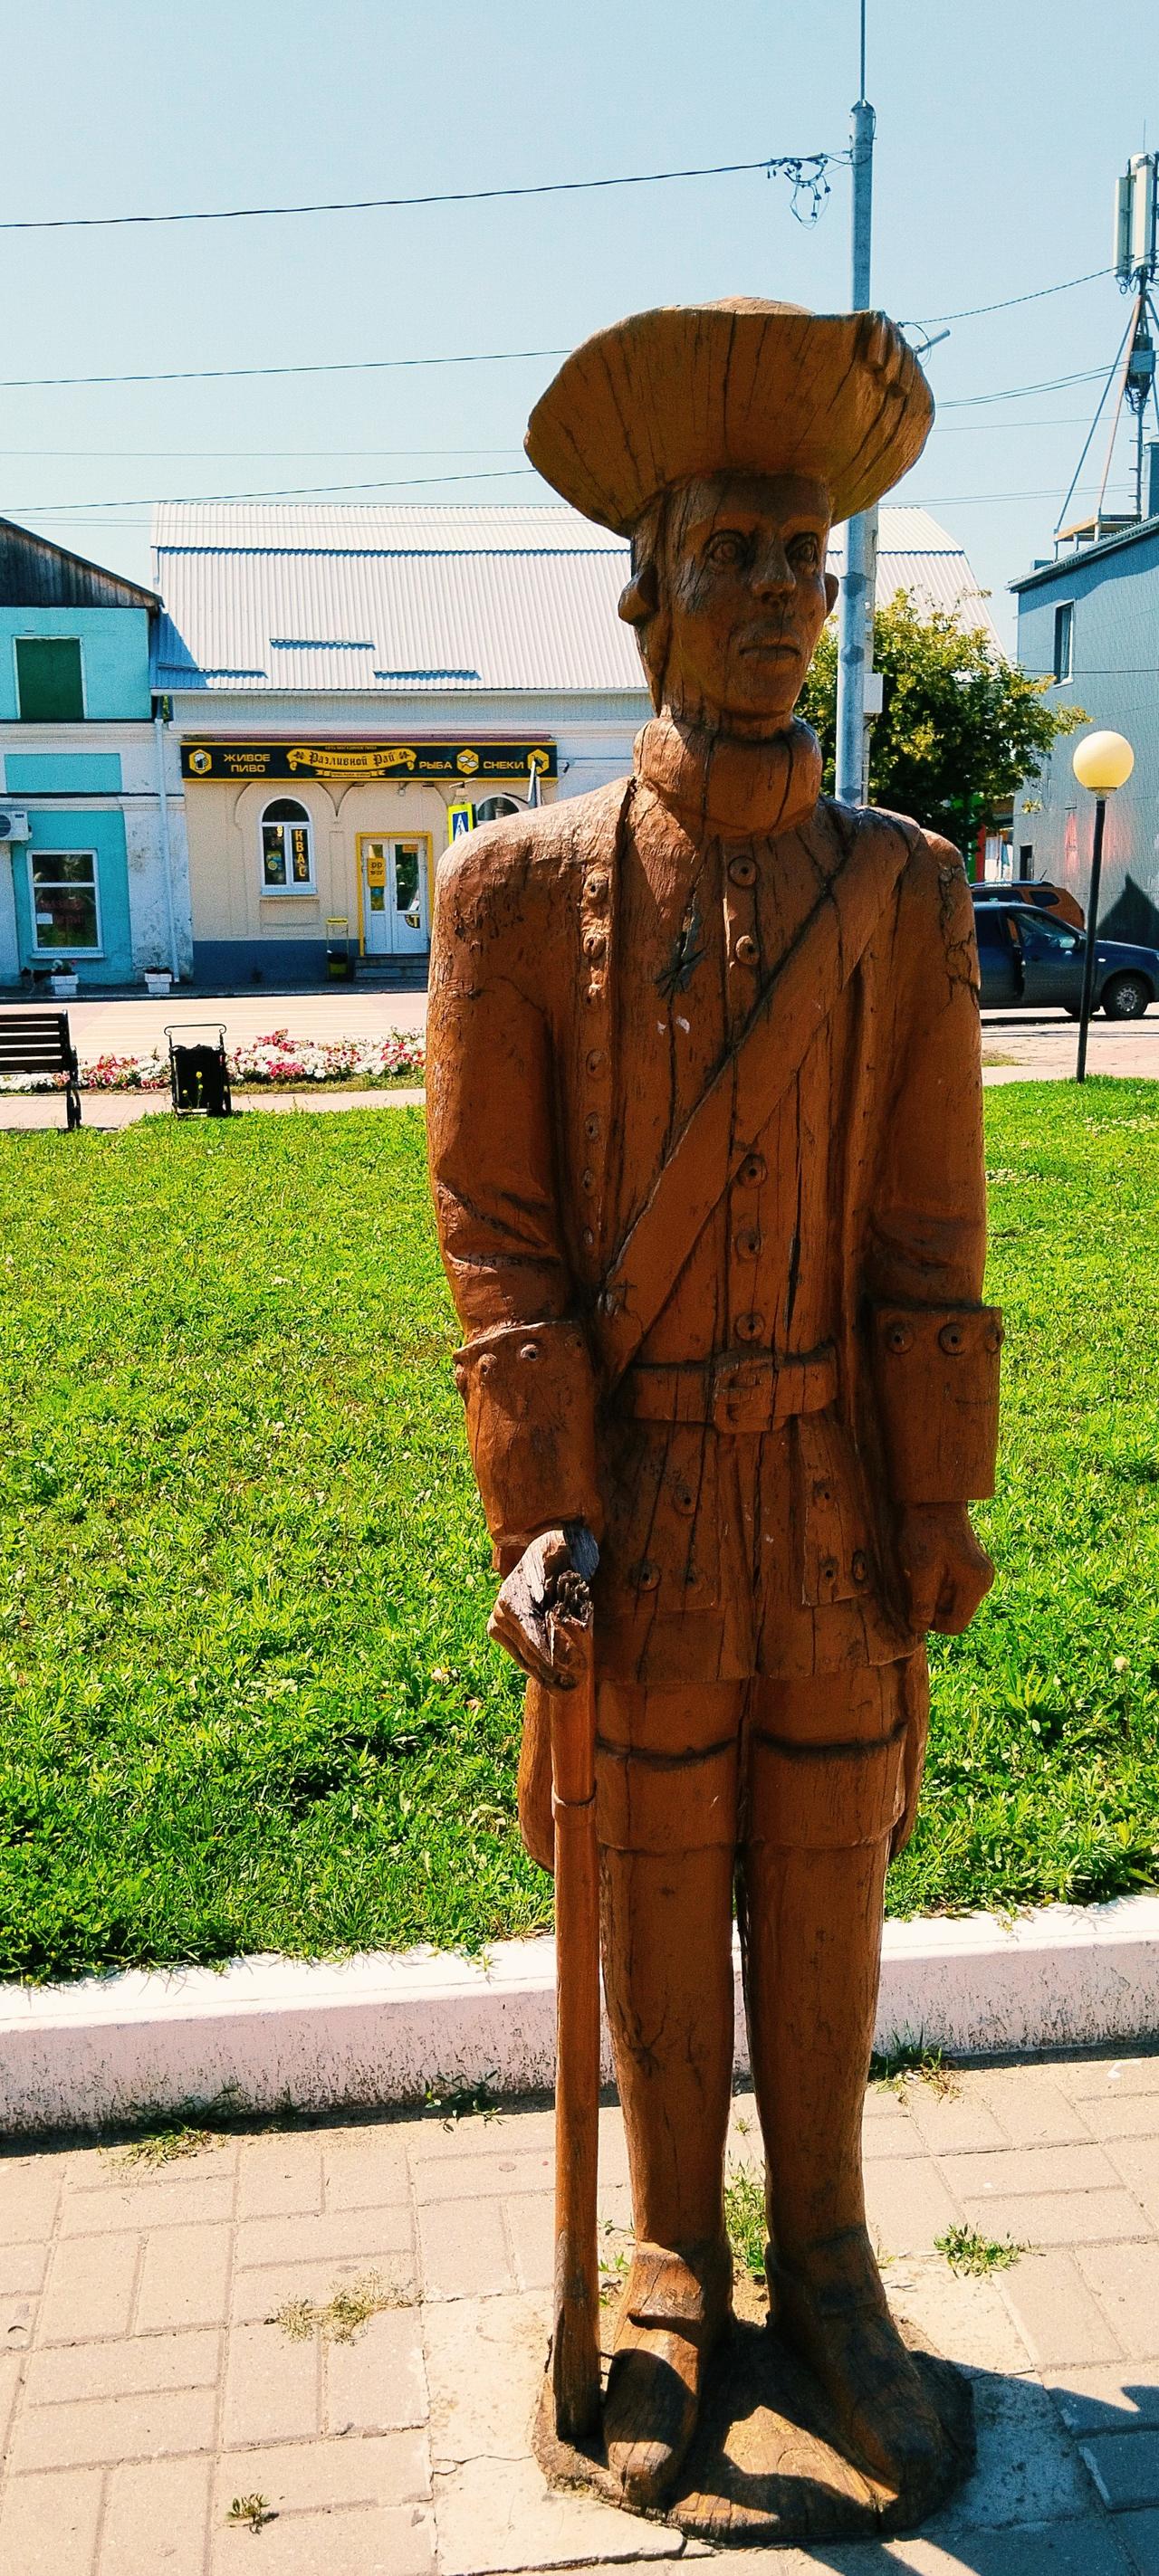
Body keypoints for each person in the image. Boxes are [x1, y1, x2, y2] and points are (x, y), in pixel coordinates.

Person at [426, 299, 1001, 2510]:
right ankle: (669, 2262)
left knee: (827, 1872)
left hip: (830, 1497)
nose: (777, 597)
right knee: (658, 1877)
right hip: (645, 1498)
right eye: (733, 555)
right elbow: (496, 1231)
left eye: (807, 561)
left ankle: (833, 2263)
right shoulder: (512, 891)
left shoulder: (909, 894)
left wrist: (934, 1503)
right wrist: (539, 1509)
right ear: (644, 591)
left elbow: (927, 1233)